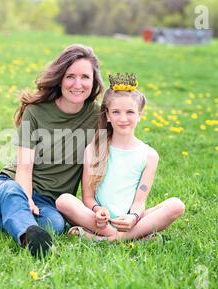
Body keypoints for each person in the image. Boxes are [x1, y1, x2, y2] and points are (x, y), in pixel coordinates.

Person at [0, 44, 104, 257]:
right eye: (70, 76)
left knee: (55, 225)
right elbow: (24, 167)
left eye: (85, 77)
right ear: (60, 78)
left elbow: (126, 119)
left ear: (94, 80)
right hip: (9, 186)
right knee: (15, 195)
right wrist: (27, 199)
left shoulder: (96, 117)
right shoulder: (35, 112)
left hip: (49, 202)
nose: (77, 84)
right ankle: (27, 237)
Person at [55, 73, 185, 241]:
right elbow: (87, 197)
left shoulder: (149, 155)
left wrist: (134, 217)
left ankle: (106, 239)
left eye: (130, 112)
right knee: (64, 201)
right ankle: (130, 238)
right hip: (100, 220)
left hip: (130, 220)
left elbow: (139, 201)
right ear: (108, 116)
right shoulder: (94, 149)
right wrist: (97, 211)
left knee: (176, 205)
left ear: (139, 115)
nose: (123, 118)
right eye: (116, 112)